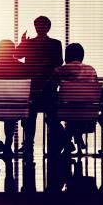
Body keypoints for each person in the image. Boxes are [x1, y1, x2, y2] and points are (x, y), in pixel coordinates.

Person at [15, 16, 63, 154]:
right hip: (33, 86)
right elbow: (16, 55)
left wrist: (43, 65)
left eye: (42, 25)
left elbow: (59, 62)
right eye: (37, 25)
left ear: (48, 27)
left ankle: (56, 144)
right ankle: (28, 143)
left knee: (51, 117)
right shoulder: (28, 43)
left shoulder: (56, 43)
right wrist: (23, 43)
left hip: (48, 87)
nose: (39, 28)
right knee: (30, 116)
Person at [50, 43, 98, 154]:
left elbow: (49, 87)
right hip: (88, 113)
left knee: (51, 116)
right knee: (76, 112)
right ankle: (75, 138)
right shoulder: (91, 70)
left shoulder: (60, 70)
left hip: (68, 112)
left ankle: (67, 142)